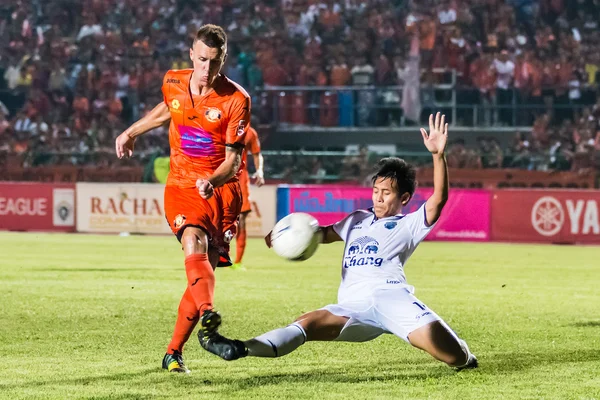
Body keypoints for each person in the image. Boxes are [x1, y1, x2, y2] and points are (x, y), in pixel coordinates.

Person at [197, 113, 478, 371]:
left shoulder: (409, 224)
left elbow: (438, 200)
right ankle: (239, 348)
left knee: (456, 357)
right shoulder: (356, 219)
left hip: (391, 299)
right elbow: (321, 233)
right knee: (306, 324)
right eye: (376, 190)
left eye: (387, 193)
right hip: (352, 305)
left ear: (403, 198)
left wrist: (438, 156)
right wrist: (284, 232)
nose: (378, 197)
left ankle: (466, 355)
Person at [114, 24, 251, 374]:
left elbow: (234, 160)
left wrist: (213, 179)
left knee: (200, 267)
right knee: (193, 241)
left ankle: (173, 352)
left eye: (215, 62)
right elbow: (167, 109)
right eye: (202, 60)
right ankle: (208, 314)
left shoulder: (237, 100)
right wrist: (131, 132)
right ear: (192, 55)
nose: (207, 69)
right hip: (181, 185)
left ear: (223, 60)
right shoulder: (173, 80)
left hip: (221, 192)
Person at [231, 125, 265, 270]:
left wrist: (259, 172)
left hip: (239, 177)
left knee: (241, 218)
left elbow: (257, 154)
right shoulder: (219, 125)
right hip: (217, 174)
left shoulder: (249, 132)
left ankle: (237, 261)